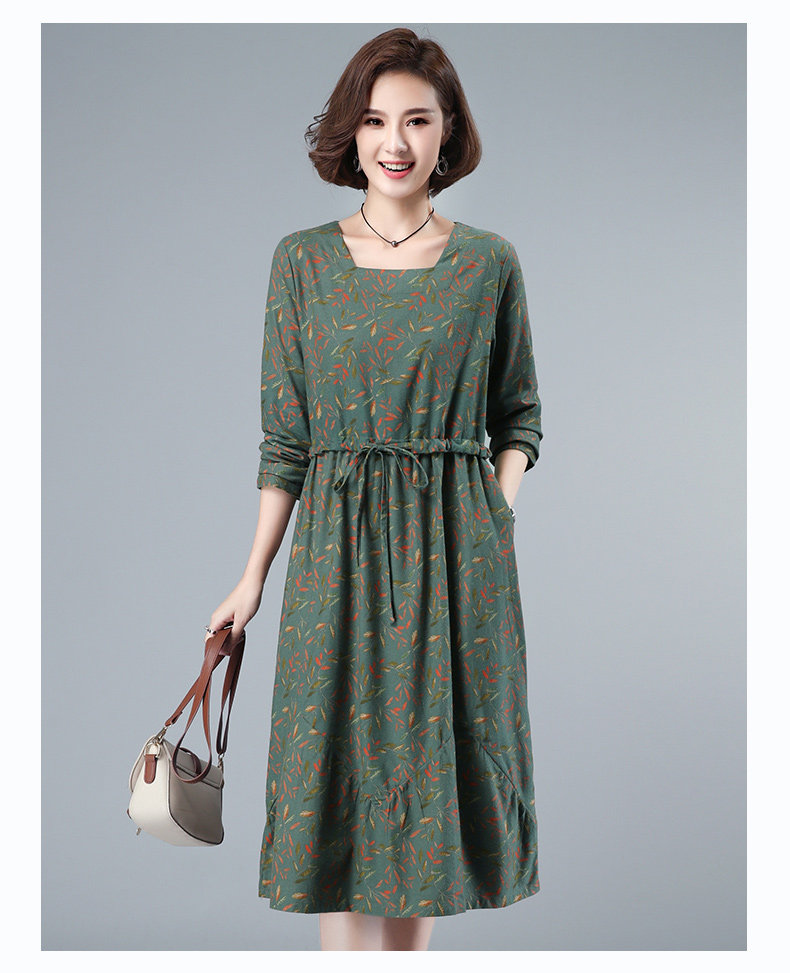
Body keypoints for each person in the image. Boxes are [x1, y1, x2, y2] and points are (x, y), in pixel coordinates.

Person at [206, 27, 543, 951]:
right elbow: (287, 441)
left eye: (417, 120)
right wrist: (252, 577)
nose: (395, 141)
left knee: (434, 783)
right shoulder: (302, 262)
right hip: (337, 560)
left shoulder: (489, 262)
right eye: (374, 120)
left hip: (455, 558)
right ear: (351, 135)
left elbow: (520, 416)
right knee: (337, 782)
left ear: (448, 132)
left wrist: (490, 514)